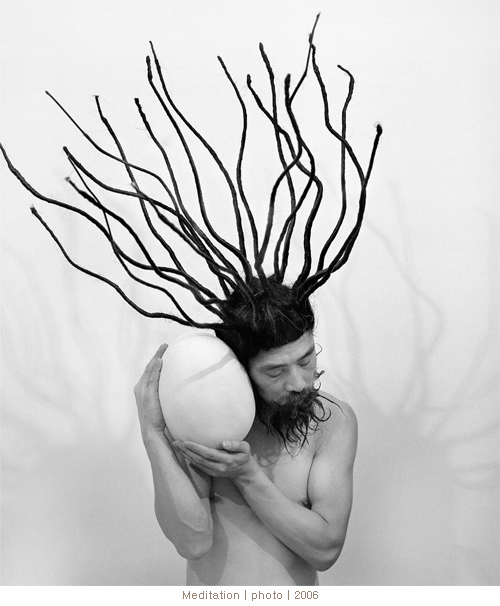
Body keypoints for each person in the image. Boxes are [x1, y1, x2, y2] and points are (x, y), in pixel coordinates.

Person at [134, 280, 358, 586]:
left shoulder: (333, 422)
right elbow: (192, 542)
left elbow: (326, 550)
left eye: (306, 360)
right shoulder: (202, 416)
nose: (298, 383)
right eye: (275, 371)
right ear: (241, 367)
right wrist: (153, 432)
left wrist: (246, 476)